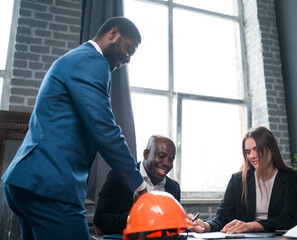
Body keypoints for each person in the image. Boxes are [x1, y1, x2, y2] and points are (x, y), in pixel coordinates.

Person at [1, 17, 147, 240]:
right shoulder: (91, 61)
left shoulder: (76, 58)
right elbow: (105, 129)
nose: (127, 59)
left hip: (26, 182)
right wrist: (138, 185)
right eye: (129, 50)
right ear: (114, 34)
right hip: (50, 187)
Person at [188, 126, 297, 233]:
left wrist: (251, 226)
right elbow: (223, 218)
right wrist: (205, 225)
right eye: (248, 152)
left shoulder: (293, 178)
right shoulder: (237, 180)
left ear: (271, 149)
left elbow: (289, 218)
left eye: (256, 149)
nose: (252, 156)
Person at [93, 135, 181, 235]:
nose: (166, 163)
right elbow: (100, 221)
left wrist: (187, 223)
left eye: (171, 160)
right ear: (146, 154)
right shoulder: (119, 177)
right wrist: (136, 217)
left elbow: (173, 229)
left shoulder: (173, 188)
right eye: (161, 156)